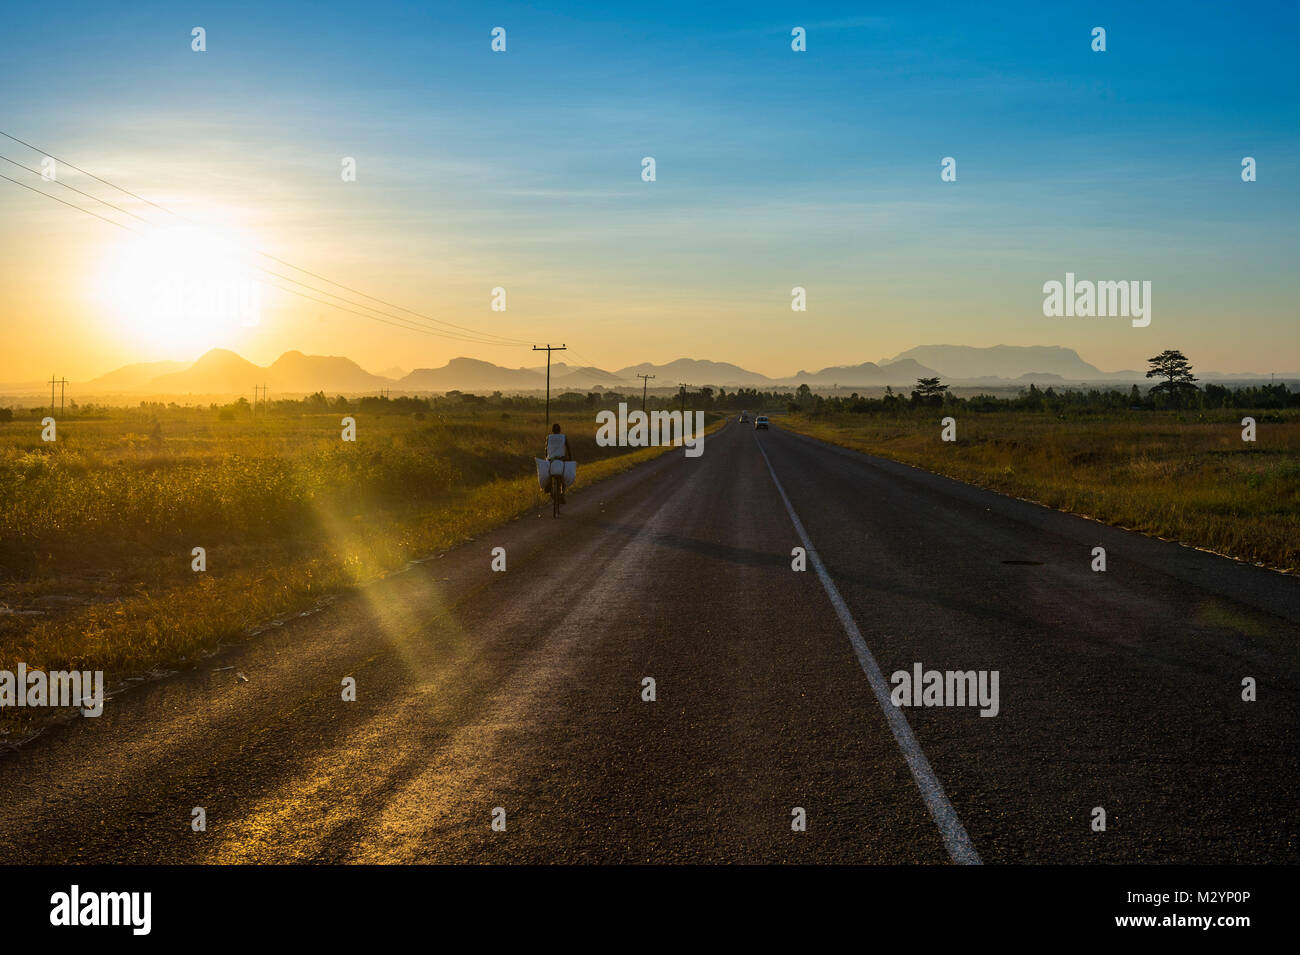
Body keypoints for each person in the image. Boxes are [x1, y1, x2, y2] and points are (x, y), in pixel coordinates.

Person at [544, 422, 573, 504]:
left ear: (552, 430)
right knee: (563, 475)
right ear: (560, 430)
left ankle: (549, 485)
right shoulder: (564, 437)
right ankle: (562, 494)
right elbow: (568, 448)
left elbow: (546, 450)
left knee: (549, 471)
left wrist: (546, 458)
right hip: (561, 459)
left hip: (551, 459)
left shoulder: (548, 437)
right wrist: (570, 458)